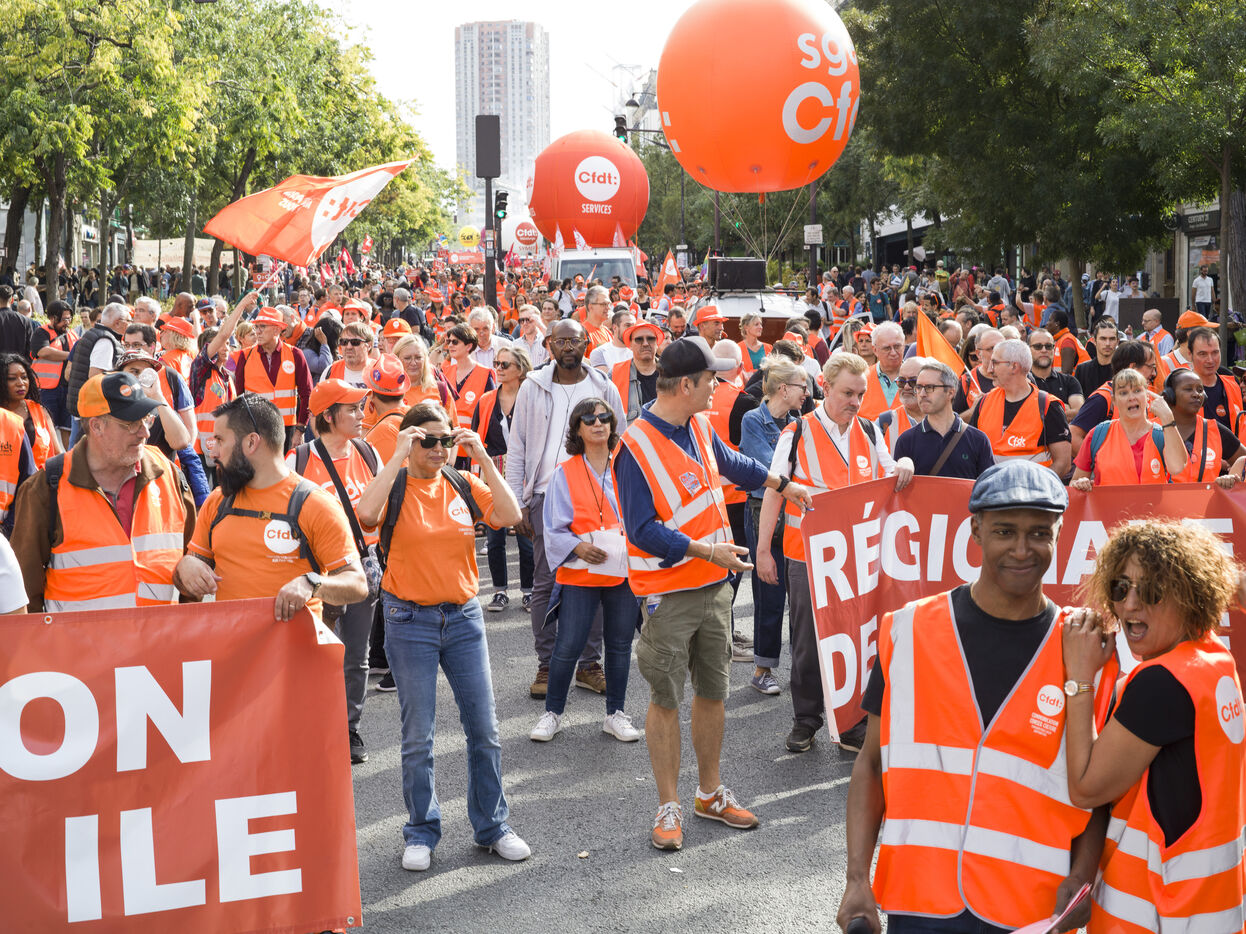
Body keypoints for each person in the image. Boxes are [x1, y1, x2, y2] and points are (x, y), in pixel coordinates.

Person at [837, 460, 1107, 934]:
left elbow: (1098, 783)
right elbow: (871, 763)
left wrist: (1084, 874)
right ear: (976, 531)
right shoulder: (908, 629)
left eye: (1039, 533)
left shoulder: (1083, 646)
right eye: (1005, 531)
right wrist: (857, 878)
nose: (1022, 549)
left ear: (1059, 533)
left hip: (1029, 907)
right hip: (919, 900)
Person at [614, 335, 813, 851]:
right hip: (669, 593)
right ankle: (669, 805)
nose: (718, 389)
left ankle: (709, 793)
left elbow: (732, 463)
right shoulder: (634, 445)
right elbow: (641, 530)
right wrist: (707, 552)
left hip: (713, 586)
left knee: (713, 692)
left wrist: (782, 483)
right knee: (665, 697)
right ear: (687, 385)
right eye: (711, 381)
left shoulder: (699, 425)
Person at [355, 402, 529, 872]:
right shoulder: (394, 484)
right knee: (419, 737)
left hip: (464, 618)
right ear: (410, 440)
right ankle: (421, 830)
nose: (438, 448)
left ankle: (492, 827)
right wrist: (397, 454)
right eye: (427, 440)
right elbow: (365, 515)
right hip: (408, 619)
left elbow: (510, 515)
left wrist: (484, 457)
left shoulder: (462, 481)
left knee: (485, 730)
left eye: (445, 439)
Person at [1062, 521, 1245, 933]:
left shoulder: (1162, 683)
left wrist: (1080, 678)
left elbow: (1086, 788)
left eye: (1151, 592)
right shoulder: (1214, 659)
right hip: (1210, 910)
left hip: (1153, 916)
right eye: (1120, 588)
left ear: (1189, 594)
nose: (1129, 605)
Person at [756, 353, 911, 754]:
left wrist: (905, 463)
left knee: (856, 639)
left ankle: (853, 720)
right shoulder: (797, 432)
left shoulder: (870, 431)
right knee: (807, 641)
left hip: (857, 557)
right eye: (847, 393)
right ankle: (806, 719)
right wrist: (763, 550)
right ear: (825, 387)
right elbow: (774, 491)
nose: (855, 402)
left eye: (861, 394)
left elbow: (892, 474)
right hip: (806, 555)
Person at [506, 318, 625, 698]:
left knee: (597, 576)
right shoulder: (533, 386)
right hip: (545, 494)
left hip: (598, 493)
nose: (568, 347)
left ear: (587, 342)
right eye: (561, 341)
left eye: (575, 340)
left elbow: (620, 442)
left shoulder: (603, 386)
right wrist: (517, 502)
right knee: (546, 581)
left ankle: (589, 665)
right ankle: (547, 664)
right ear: (549, 344)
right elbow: (517, 447)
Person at [174, 392, 367, 621]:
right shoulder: (218, 501)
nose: (213, 452)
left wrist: (312, 583)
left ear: (251, 442)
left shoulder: (315, 504)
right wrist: (185, 567)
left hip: (296, 644)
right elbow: (192, 571)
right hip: (232, 643)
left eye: (220, 440)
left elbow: (357, 584)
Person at [11, 372, 193, 611]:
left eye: (147, 419)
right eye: (131, 424)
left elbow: (194, 560)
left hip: (161, 635)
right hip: (80, 637)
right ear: (96, 426)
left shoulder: (168, 474)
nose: (145, 433)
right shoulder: (45, 488)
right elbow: (25, 591)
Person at [529, 397, 640, 743]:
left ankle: (615, 714)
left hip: (622, 570)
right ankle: (552, 713)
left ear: (612, 424)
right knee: (568, 645)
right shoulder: (564, 473)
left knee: (620, 645)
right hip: (580, 571)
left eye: (604, 417)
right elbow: (553, 528)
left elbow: (644, 515)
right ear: (577, 429)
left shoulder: (628, 466)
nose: (598, 423)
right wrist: (578, 547)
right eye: (589, 419)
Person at [287, 379, 381, 766]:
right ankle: (311, 726)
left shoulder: (367, 452)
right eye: (353, 409)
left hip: (360, 569)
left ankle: (348, 727)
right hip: (315, 576)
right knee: (314, 655)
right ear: (328, 416)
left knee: (356, 656)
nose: (362, 415)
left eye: (362, 407)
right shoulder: (298, 459)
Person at [738, 356, 805, 696]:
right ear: (783, 388)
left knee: (799, 594)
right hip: (762, 511)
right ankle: (762, 669)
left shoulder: (799, 423)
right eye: (802, 386)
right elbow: (771, 470)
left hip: (792, 512)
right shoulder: (753, 419)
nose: (807, 392)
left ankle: (801, 667)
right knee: (769, 590)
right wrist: (795, 479)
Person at [472, 345, 535, 613]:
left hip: (525, 472)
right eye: (497, 363)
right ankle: (499, 591)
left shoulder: (532, 397)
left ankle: (529, 592)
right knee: (495, 537)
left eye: (505, 364)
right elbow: (476, 438)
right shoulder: (487, 400)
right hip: (494, 472)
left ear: (520, 369)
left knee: (525, 535)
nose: (498, 368)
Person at [968, 338, 1072, 477]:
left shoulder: (1048, 405)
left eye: (995, 363)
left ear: (1014, 366)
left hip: (1033, 489)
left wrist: (1033, 485)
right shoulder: (984, 402)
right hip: (991, 489)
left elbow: (1063, 464)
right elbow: (971, 453)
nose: (989, 369)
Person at [1071, 369, 1186, 487]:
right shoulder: (1098, 434)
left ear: (1147, 396)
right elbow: (1074, 483)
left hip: (1152, 500)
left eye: (1137, 391)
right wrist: (1080, 484)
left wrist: (1168, 418)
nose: (1131, 397)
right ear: (1114, 400)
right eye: (1123, 393)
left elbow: (1177, 468)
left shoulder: (1162, 434)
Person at [234, 307, 314, 452]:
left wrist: (300, 429)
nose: (257, 331)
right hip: (255, 429)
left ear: (277, 330)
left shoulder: (295, 354)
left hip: (287, 430)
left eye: (262, 327)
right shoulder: (245, 356)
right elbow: (239, 397)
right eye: (256, 327)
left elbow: (307, 393)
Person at [1166, 367, 1246, 484]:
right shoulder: (1153, 430)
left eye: (1199, 390)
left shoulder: (1214, 430)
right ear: (1170, 395)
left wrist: (1232, 477)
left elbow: (1243, 460)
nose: (1196, 394)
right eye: (1188, 389)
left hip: (1207, 496)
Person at [1, 352, 62, 470]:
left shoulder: (40, 411)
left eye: (24, 377)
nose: (21, 383)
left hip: (39, 479)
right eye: (12, 378)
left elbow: (56, 453)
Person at [29, 299, 77, 444]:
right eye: (64, 319)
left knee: (68, 429)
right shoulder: (41, 333)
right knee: (46, 429)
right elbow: (43, 352)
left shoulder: (73, 334)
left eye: (69, 318)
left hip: (68, 389)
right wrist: (71, 355)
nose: (67, 322)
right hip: (46, 390)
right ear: (52, 318)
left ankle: (69, 456)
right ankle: (50, 457)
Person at [1187, 325, 1243, 430]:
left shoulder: (1233, 385)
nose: (1210, 360)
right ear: (1190, 355)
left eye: (1215, 352)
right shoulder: (1180, 390)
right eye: (1203, 354)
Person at [441, 323, 495, 429]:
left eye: (455, 342)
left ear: (469, 346)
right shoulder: (444, 373)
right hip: (447, 436)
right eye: (449, 341)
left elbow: (490, 412)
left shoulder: (485, 374)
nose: (450, 345)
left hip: (472, 436)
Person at [612, 321, 663, 426]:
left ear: (657, 343)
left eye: (650, 339)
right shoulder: (615, 374)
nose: (645, 343)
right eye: (639, 339)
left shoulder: (671, 373)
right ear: (630, 345)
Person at [1028, 328, 1085, 414]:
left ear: (1053, 349)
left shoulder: (1069, 381)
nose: (1044, 350)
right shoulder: (1023, 382)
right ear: (1028, 350)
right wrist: (1060, 408)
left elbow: (1079, 413)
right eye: (1038, 346)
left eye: (1048, 346)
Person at [857, 322, 906, 420]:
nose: (893, 353)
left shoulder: (918, 378)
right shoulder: (861, 378)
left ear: (904, 346)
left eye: (897, 346)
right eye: (887, 348)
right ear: (875, 350)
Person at [875, 356, 924, 453]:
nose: (906, 387)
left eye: (913, 382)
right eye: (901, 381)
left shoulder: (943, 420)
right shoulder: (884, 422)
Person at [953, 327, 1001, 412]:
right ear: (978, 354)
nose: (998, 352)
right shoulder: (966, 381)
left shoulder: (1017, 375)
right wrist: (974, 411)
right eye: (992, 348)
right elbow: (954, 418)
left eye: (1001, 347)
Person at [1073, 318, 1119, 396]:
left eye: (1112, 339)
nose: (1107, 343)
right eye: (1103, 339)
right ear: (1094, 341)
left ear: (1117, 342)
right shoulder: (1082, 370)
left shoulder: (1124, 370)